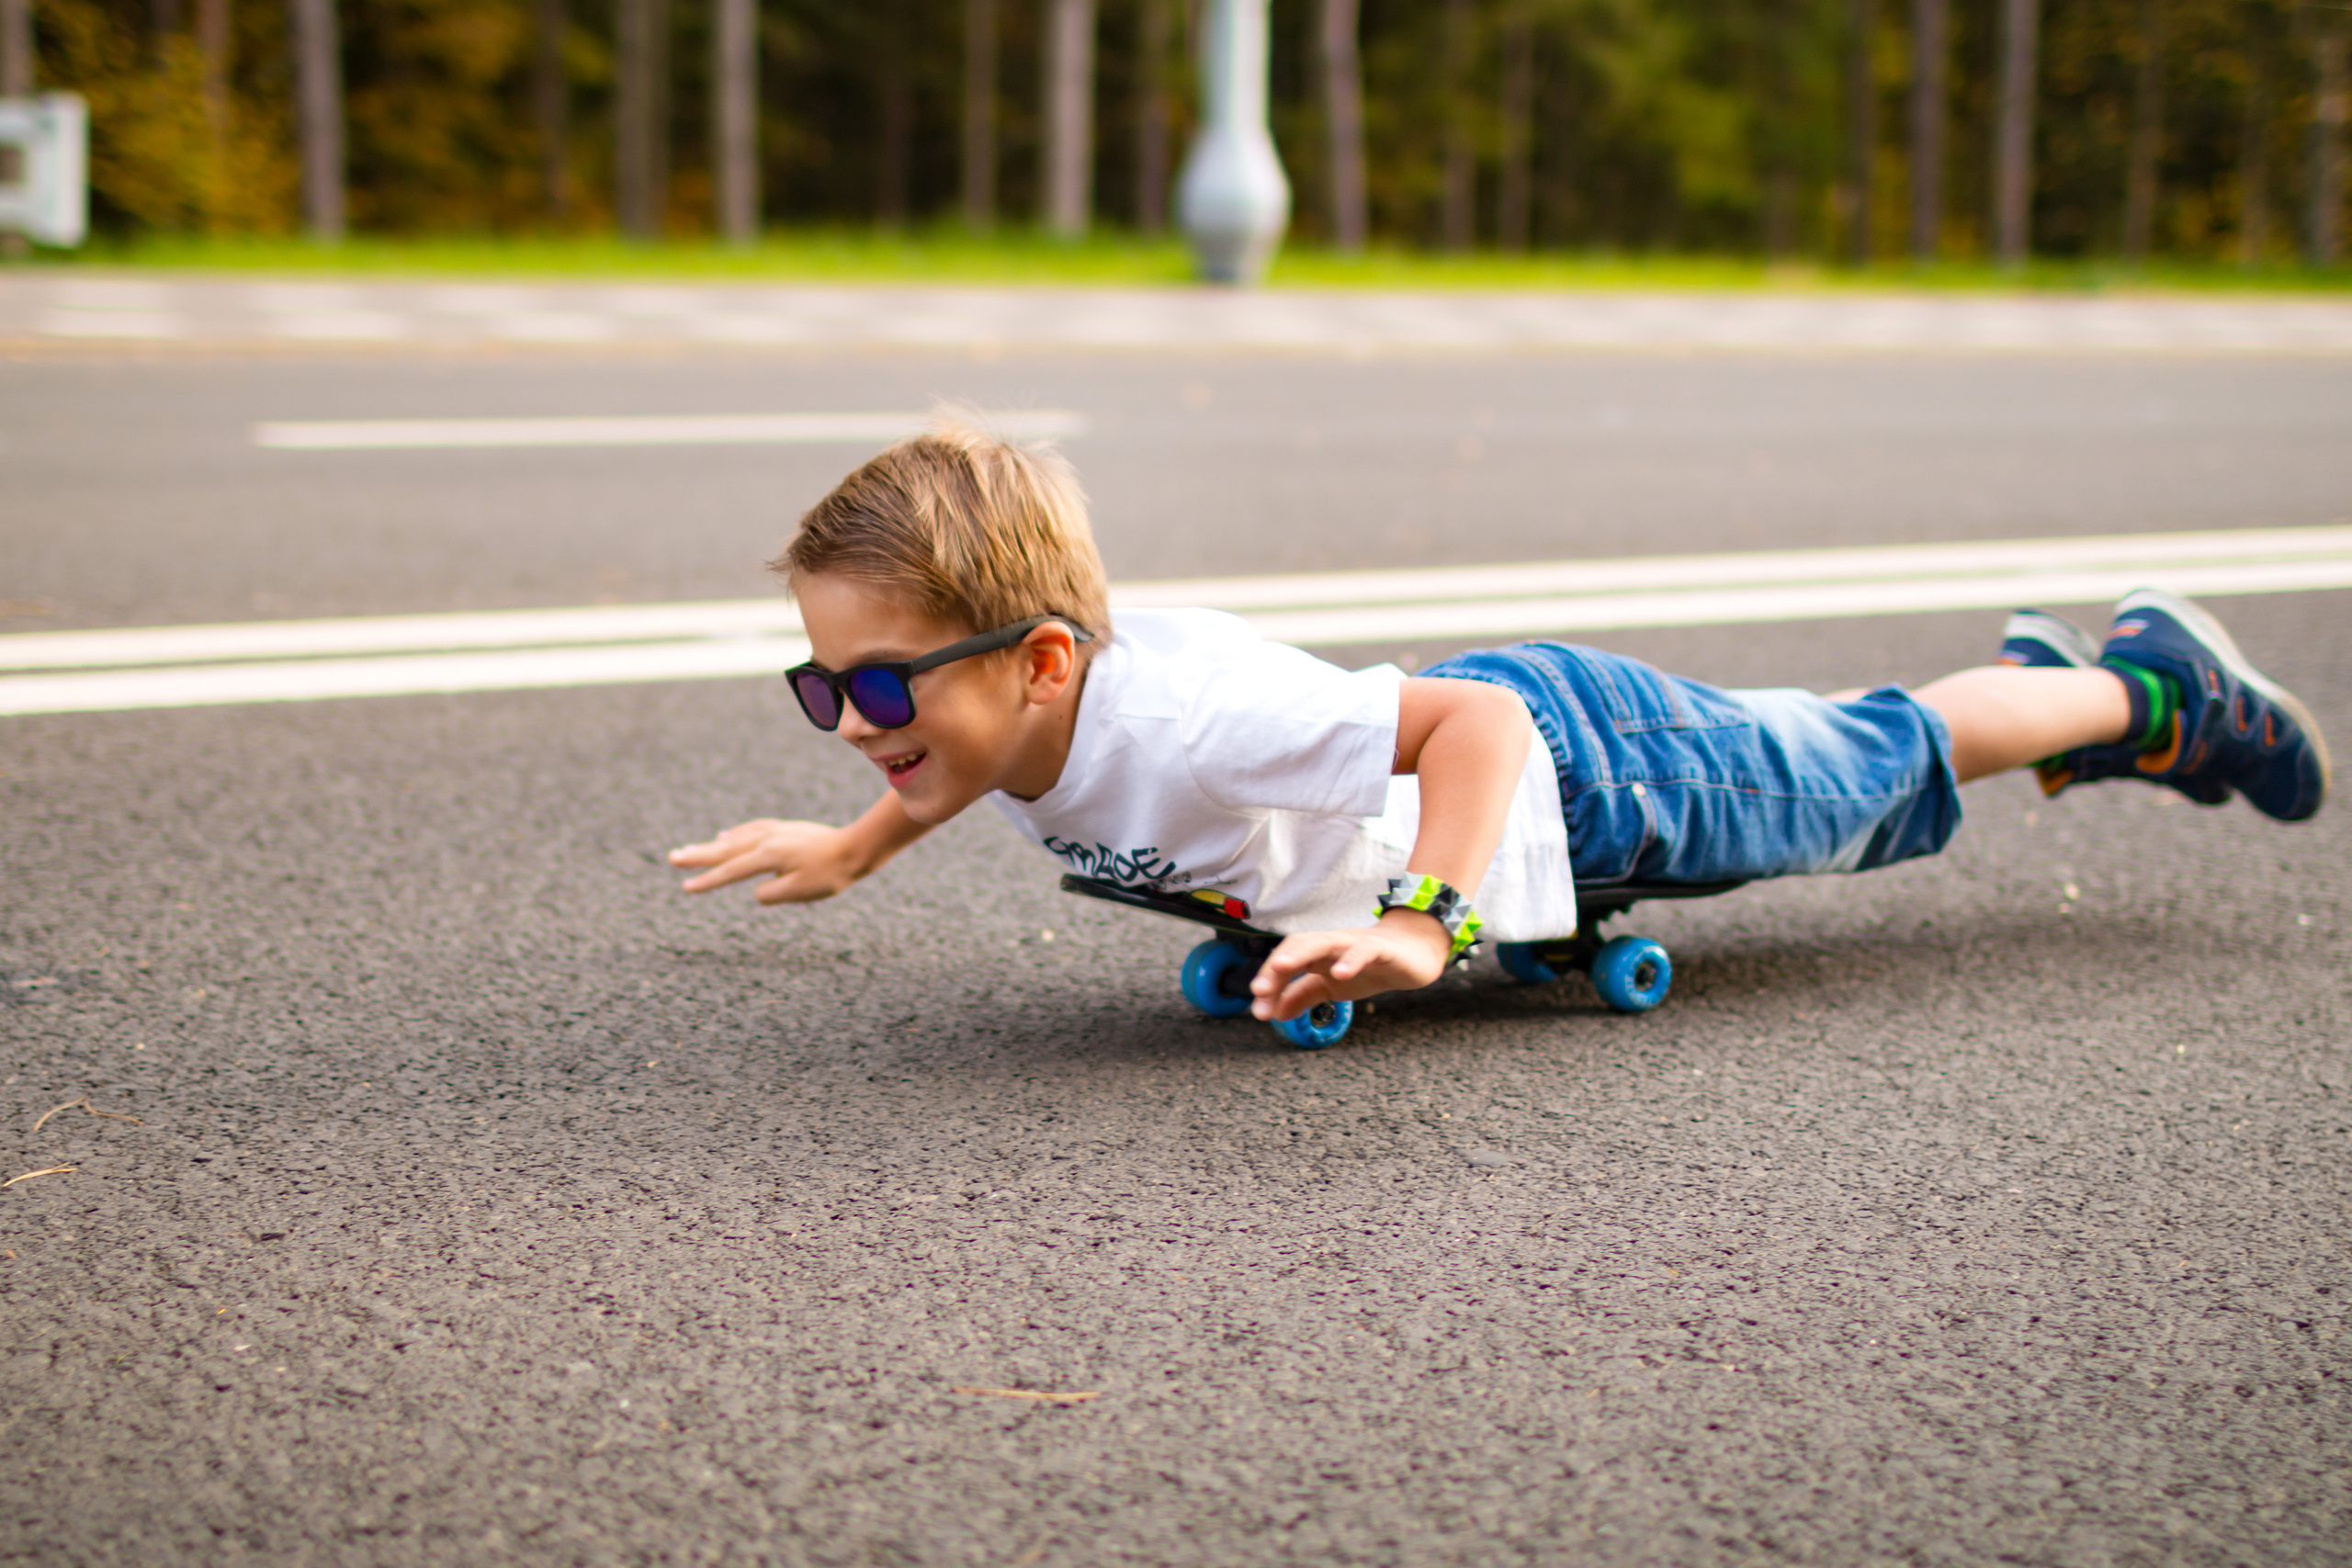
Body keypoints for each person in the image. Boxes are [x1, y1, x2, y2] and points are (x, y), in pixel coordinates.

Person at [670, 423, 2330, 1025]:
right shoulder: (1011, 716)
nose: (851, 723)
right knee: (1849, 749)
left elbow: (1471, 730)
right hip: (1505, 752)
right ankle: (2062, 693)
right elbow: (957, 766)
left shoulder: (1195, 722)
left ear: (1037, 659)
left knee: (1864, 768)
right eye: (821, 686)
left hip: (1586, 767)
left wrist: (1422, 922)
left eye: (878, 689)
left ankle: (2151, 689)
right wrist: (857, 838)